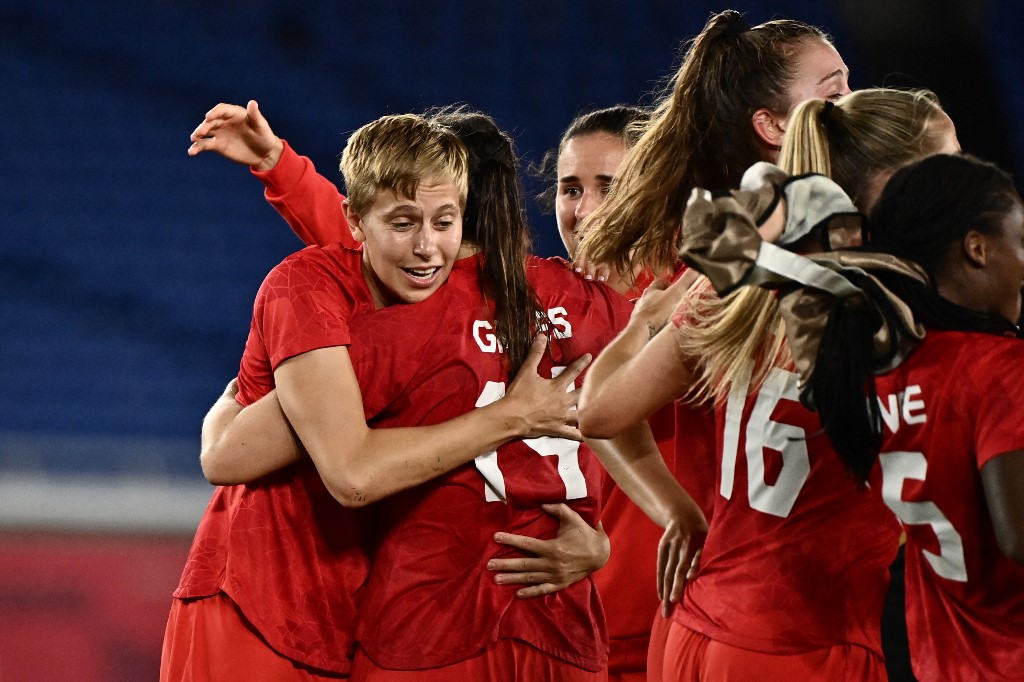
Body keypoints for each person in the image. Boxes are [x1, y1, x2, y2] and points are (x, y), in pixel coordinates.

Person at [188, 106, 638, 679]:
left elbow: (228, 455)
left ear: (456, 208)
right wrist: (601, 544)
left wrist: (234, 399)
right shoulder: (603, 311)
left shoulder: (396, 331)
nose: (587, 209)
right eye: (571, 188)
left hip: (422, 629)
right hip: (568, 630)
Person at [577, 86, 960, 680]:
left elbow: (600, 413)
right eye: (949, 165)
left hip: (692, 627)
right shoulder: (904, 308)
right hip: (801, 640)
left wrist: (644, 322)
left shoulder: (735, 280)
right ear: (892, 184)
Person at [774, 153, 1024, 681]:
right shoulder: (998, 367)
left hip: (944, 660)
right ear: (977, 248)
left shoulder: (866, 373)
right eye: (1019, 242)